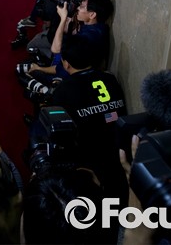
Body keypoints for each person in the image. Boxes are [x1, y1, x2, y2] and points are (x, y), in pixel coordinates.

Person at [49, 35, 128, 206]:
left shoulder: (62, 91)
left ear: (66, 64)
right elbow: (111, 115)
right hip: (119, 154)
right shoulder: (110, 79)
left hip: (88, 161)